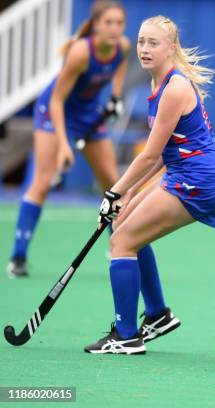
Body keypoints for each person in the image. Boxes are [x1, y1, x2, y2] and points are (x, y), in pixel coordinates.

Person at [84, 15, 215, 354]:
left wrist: (114, 190)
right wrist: (129, 192)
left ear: (171, 49)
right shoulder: (158, 83)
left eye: (153, 43)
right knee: (124, 224)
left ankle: (126, 335)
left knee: (121, 242)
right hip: (183, 173)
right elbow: (163, 152)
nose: (144, 49)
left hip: (196, 181)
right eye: (141, 42)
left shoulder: (174, 88)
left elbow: (149, 155)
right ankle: (158, 315)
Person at [6, 0, 129, 278]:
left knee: (113, 183)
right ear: (96, 25)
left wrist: (116, 97)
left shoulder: (122, 46)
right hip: (53, 113)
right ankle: (18, 257)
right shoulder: (80, 53)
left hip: (87, 114)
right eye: (108, 23)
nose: (114, 29)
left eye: (119, 23)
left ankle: (119, 245)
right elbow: (57, 100)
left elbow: (120, 67)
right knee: (43, 180)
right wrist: (64, 144)